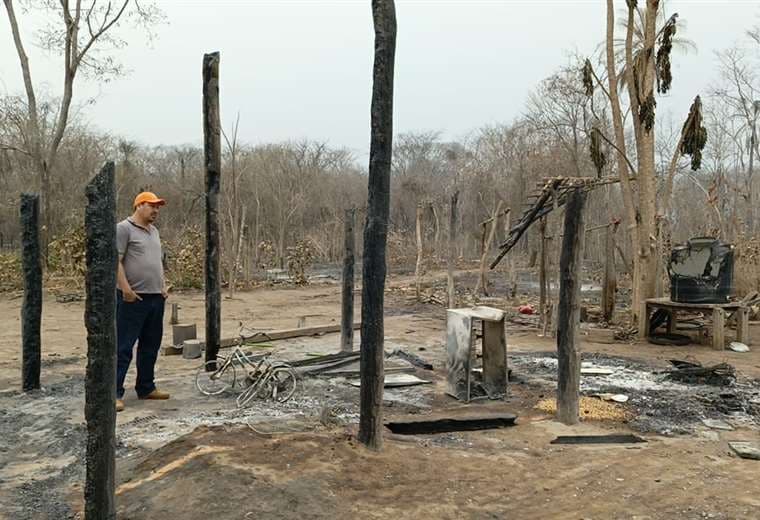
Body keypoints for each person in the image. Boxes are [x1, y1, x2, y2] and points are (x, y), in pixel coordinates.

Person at [115, 191, 170, 412]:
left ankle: (146, 387)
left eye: (158, 207)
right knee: (124, 346)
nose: (156, 211)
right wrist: (125, 289)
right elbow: (116, 261)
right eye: (152, 206)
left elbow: (156, 262)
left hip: (155, 297)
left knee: (151, 345)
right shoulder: (124, 228)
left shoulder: (154, 231)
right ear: (138, 206)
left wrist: (163, 286)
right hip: (133, 298)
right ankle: (114, 392)